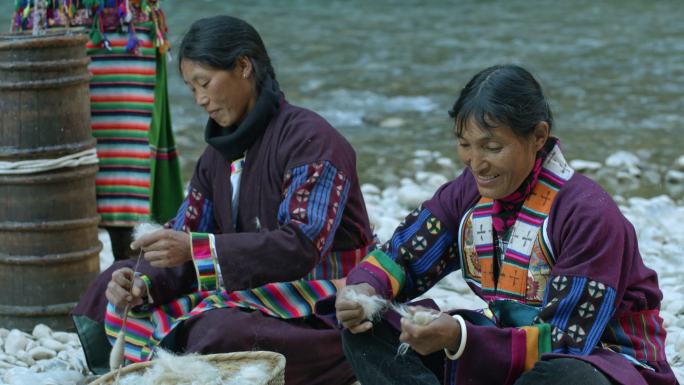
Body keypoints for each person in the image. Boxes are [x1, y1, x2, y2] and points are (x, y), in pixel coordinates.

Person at [72, 15, 374, 385]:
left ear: (244, 66)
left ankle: (348, 356)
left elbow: (301, 246)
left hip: (321, 304)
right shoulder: (215, 158)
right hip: (247, 290)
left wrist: (196, 250)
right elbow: (183, 236)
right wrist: (140, 282)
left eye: (204, 83)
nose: (200, 100)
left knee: (216, 334)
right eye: (191, 89)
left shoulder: (313, 142)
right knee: (109, 288)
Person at [333, 64, 679, 385]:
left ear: (538, 136)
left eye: (492, 147)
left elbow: (565, 341)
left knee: (569, 377)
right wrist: (363, 291)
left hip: (602, 360)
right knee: (368, 328)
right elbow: (405, 255)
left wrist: (459, 337)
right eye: (465, 145)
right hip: (505, 348)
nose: (476, 163)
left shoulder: (587, 213)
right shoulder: (466, 192)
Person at [12, 0, 184, 260]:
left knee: (125, 185)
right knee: (51, 173)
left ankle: (132, 289)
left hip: (122, 31)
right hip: (45, 23)